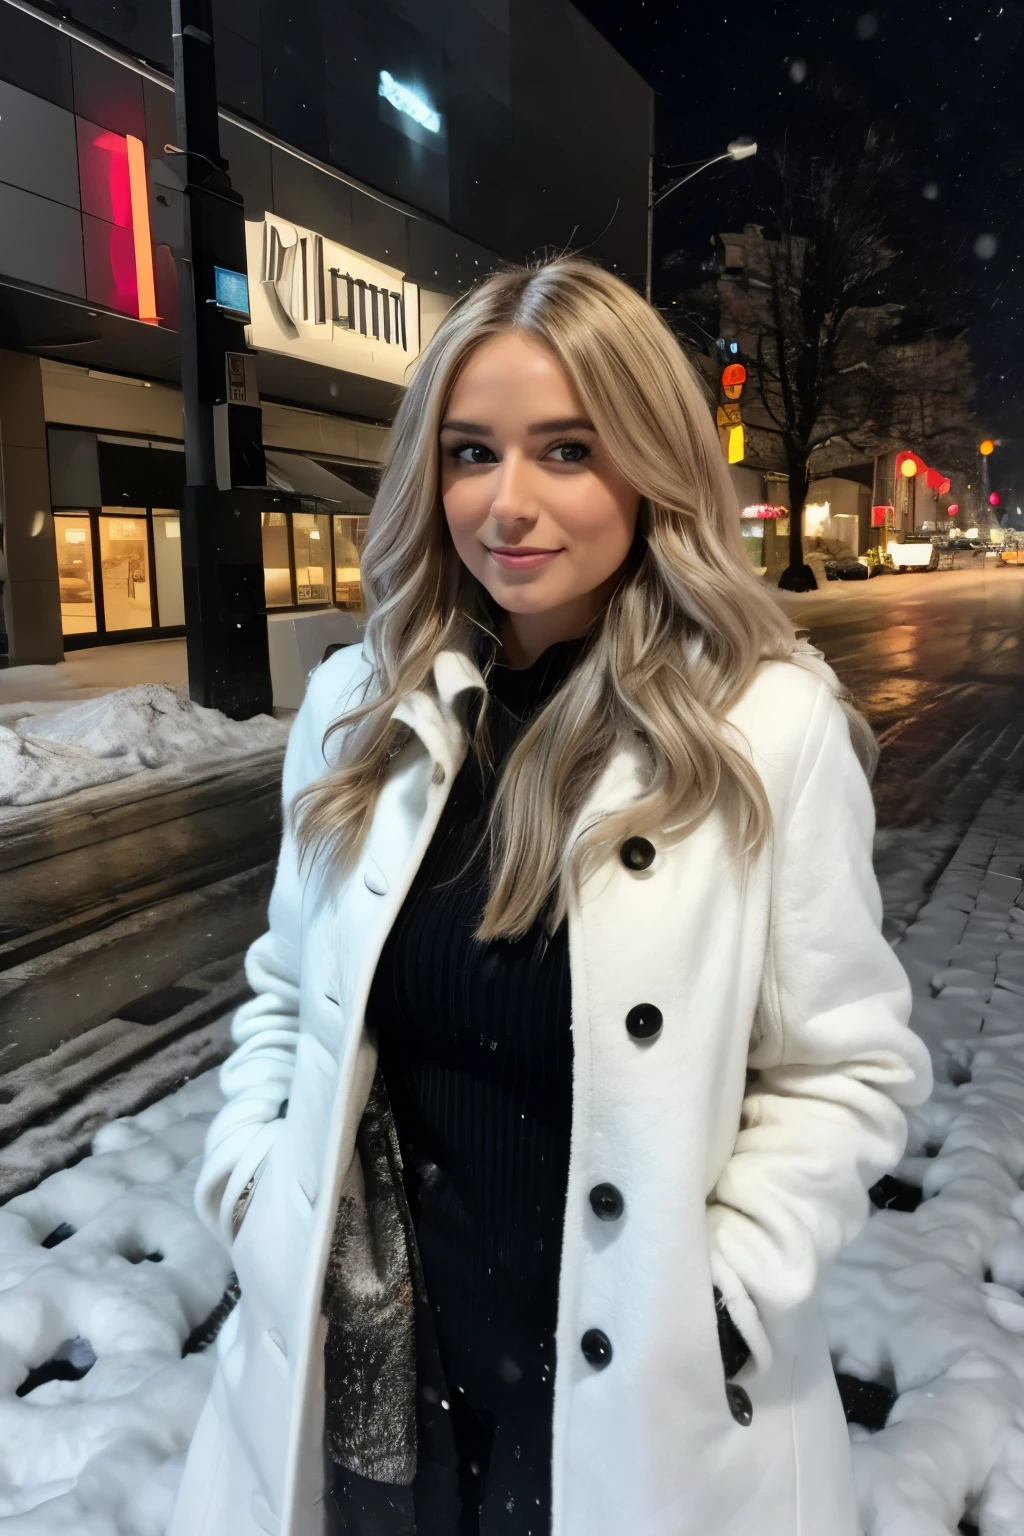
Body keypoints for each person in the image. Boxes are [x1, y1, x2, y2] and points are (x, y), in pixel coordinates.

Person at [168, 256, 932, 1536]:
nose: (508, 504)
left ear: (649, 464)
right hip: (376, 1374)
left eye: (566, 450)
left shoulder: (763, 725)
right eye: (472, 452)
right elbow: (286, 998)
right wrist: (251, 1194)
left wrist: (717, 1305)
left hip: (649, 1408)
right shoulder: (361, 712)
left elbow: (844, 1074)